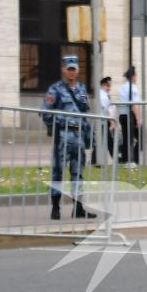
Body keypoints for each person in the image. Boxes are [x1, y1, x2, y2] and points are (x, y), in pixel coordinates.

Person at [43, 55, 93, 220]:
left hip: (78, 135)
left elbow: (85, 111)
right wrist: (57, 124)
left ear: (77, 70)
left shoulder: (82, 89)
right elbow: (45, 112)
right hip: (62, 135)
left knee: (77, 172)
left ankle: (78, 208)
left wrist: (87, 134)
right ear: (63, 69)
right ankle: (55, 207)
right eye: (68, 68)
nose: (71, 72)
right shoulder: (55, 89)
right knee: (58, 172)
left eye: (74, 69)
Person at [116, 65, 144, 167]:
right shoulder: (133, 88)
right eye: (136, 75)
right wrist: (138, 119)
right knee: (139, 136)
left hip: (122, 115)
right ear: (133, 76)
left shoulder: (123, 87)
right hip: (130, 114)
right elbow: (134, 104)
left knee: (127, 137)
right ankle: (132, 160)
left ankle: (125, 159)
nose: (136, 77)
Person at [93, 74, 117, 165]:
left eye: (109, 85)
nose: (109, 88)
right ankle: (115, 158)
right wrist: (112, 122)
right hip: (103, 122)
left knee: (103, 141)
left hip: (104, 122)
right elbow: (106, 109)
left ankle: (94, 160)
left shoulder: (104, 95)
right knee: (107, 141)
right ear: (102, 85)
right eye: (107, 85)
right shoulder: (102, 96)